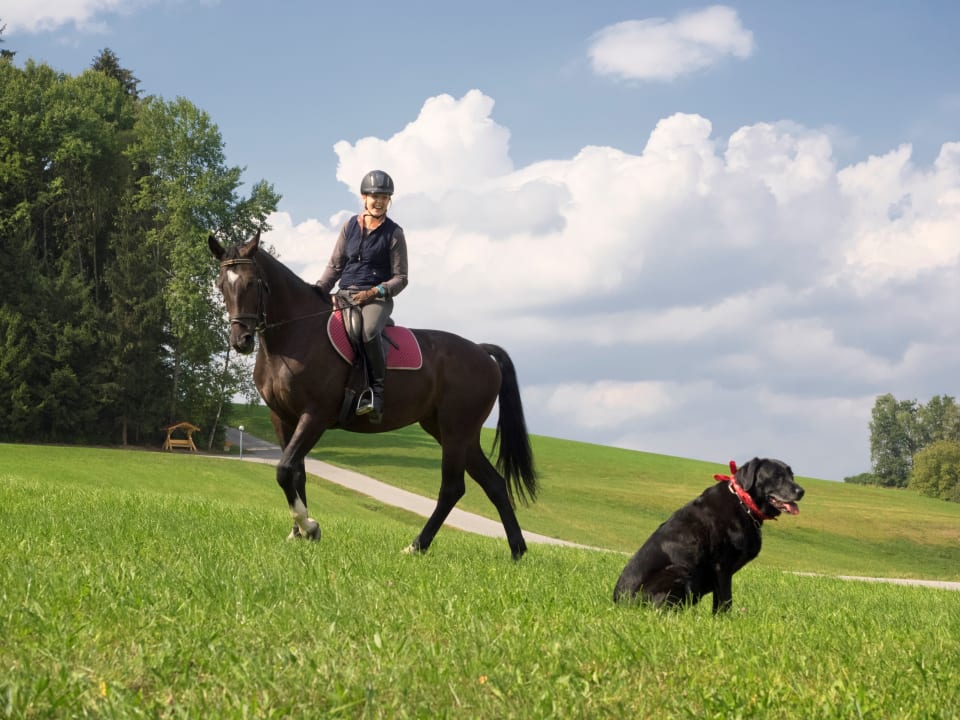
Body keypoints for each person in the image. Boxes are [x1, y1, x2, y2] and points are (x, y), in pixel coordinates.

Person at [315, 170, 409, 420]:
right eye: (374, 196)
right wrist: (318, 290)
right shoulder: (349, 226)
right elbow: (335, 266)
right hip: (344, 294)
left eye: (384, 197)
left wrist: (374, 292)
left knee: (367, 332)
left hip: (376, 298)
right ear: (363, 197)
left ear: (389, 200)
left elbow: (401, 278)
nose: (378, 201)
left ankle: (376, 392)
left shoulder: (394, 233)